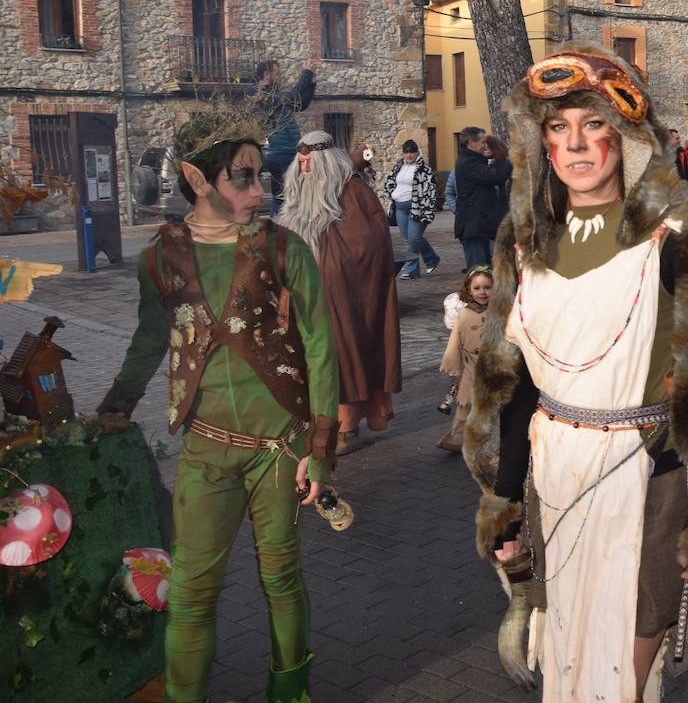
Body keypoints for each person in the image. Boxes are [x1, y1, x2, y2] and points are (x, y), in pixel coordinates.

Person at [464, 46, 688, 702]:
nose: (576, 146)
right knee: (564, 643)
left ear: (624, 135)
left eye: (592, 126)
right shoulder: (523, 236)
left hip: (651, 470)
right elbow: (512, 380)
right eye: (558, 128)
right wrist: (506, 502)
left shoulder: (679, 228)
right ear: (540, 141)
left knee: (629, 662)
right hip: (555, 471)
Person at [97, 111, 338, 703]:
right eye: (243, 178)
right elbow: (150, 340)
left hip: (279, 448)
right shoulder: (161, 256)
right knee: (191, 592)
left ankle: (291, 694)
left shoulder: (283, 248)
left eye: (262, 177)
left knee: (280, 578)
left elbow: (319, 345)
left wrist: (320, 449)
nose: (260, 192)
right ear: (195, 178)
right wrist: (113, 408)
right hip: (205, 450)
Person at [276, 130, 401, 454]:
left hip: (344, 295)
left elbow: (368, 245)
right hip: (305, 294)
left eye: (310, 163)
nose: (304, 170)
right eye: (300, 163)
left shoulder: (354, 192)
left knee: (343, 358)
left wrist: (325, 262)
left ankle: (345, 427)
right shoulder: (301, 195)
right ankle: (315, 423)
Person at [436, 264, 492, 452]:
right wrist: (454, 365)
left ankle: (492, 439)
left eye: (487, 288)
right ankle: (458, 436)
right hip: (470, 365)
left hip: (492, 366)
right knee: (463, 402)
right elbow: (455, 342)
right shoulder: (464, 314)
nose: (482, 292)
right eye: (477, 288)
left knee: (492, 403)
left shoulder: (499, 313)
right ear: (468, 290)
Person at [256, 60, 317, 213]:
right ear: (266, 74)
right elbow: (290, 97)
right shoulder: (261, 95)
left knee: (290, 196)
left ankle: (283, 228)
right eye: (277, 74)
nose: (281, 77)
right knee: (284, 197)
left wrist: (311, 85)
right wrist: (306, 73)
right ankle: (276, 230)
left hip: (289, 152)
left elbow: (299, 104)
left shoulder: (275, 95)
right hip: (280, 154)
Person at [452, 125, 514, 269]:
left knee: (486, 271)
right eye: (481, 142)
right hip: (473, 227)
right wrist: (510, 160)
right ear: (471, 143)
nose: (484, 145)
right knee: (479, 272)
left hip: (479, 226)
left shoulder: (473, 160)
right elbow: (494, 176)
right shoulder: (468, 163)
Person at [384, 140, 439, 279]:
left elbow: (431, 189)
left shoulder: (423, 169)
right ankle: (412, 271)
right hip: (400, 207)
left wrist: (427, 208)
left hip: (417, 208)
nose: (409, 155)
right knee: (408, 239)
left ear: (417, 153)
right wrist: (391, 193)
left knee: (415, 237)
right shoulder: (398, 166)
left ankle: (431, 258)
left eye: (411, 152)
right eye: (406, 152)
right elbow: (390, 180)